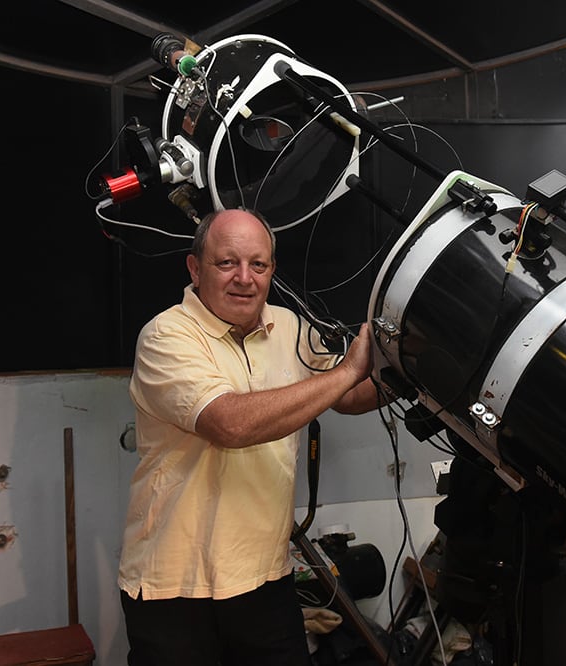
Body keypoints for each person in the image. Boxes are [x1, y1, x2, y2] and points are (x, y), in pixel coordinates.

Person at [118, 207, 380, 665]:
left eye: (258, 265)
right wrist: (348, 371)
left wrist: (420, 371)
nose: (244, 278)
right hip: (176, 588)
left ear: (271, 271)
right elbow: (230, 424)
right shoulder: (166, 336)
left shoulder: (290, 328)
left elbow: (349, 395)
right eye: (227, 263)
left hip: (265, 581)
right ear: (195, 268)